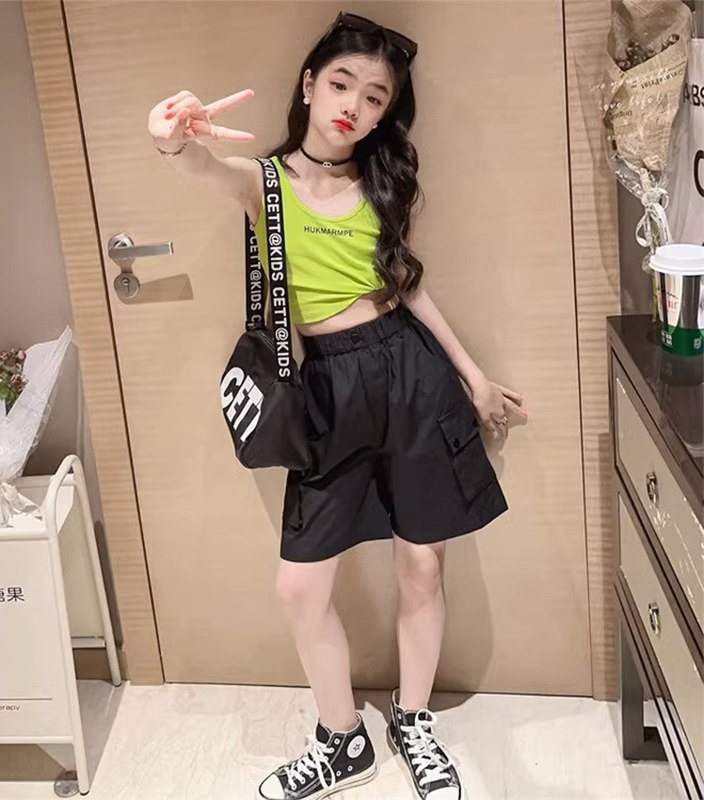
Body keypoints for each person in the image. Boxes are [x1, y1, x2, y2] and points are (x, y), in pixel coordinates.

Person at [147, 10, 528, 800]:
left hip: (408, 375)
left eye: (375, 96)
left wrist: (472, 375)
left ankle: (414, 721)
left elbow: (407, 284)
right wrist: (173, 139)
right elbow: (200, 168)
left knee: (421, 563)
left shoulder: (382, 183)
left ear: (387, 114)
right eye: (342, 83)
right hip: (322, 386)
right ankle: (341, 739)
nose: (354, 104)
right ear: (310, 86)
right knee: (300, 588)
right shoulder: (265, 182)